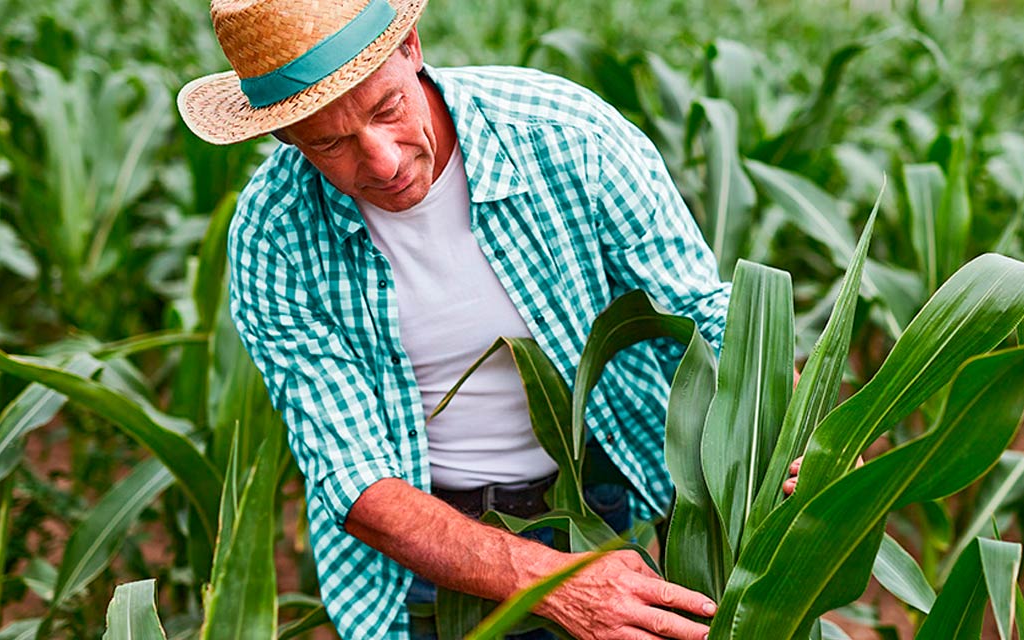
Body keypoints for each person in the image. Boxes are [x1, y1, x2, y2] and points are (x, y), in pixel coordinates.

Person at [178, 1, 739, 638]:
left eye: (387, 108)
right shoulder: (273, 236)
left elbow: (702, 313)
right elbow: (354, 474)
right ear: (282, 135)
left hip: (599, 496)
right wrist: (554, 583)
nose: (383, 162)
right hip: (424, 545)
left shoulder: (566, 135)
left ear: (411, 48)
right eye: (329, 143)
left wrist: (786, 426)